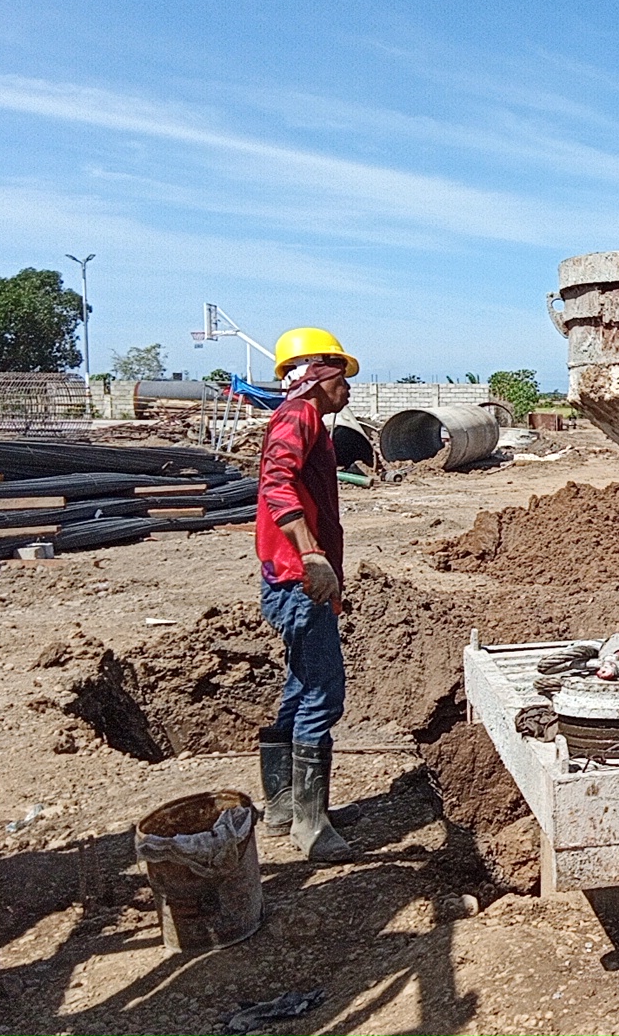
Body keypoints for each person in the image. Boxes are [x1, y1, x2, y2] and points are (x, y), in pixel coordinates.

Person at [255, 327, 364, 861]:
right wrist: (311, 553)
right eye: (343, 374)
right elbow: (275, 481)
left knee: (300, 685)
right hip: (299, 579)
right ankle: (311, 825)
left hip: (289, 576)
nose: (350, 387)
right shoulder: (298, 417)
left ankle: (283, 807)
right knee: (323, 690)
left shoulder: (311, 424)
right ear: (320, 373)